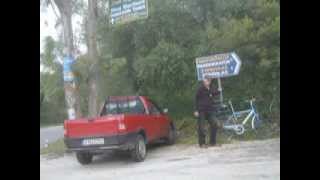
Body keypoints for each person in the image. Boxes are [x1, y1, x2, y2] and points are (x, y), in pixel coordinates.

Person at [194, 76, 221, 148]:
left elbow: (214, 93)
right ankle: (202, 144)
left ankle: (212, 142)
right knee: (202, 127)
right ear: (203, 81)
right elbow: (196, 99)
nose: (208, 82)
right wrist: (196, 110)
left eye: (209, 81)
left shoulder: (211, 88)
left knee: (215, 124)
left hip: (210, 111)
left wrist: (219, 90)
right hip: (201, 110)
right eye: (206, 81)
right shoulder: (200, 89)